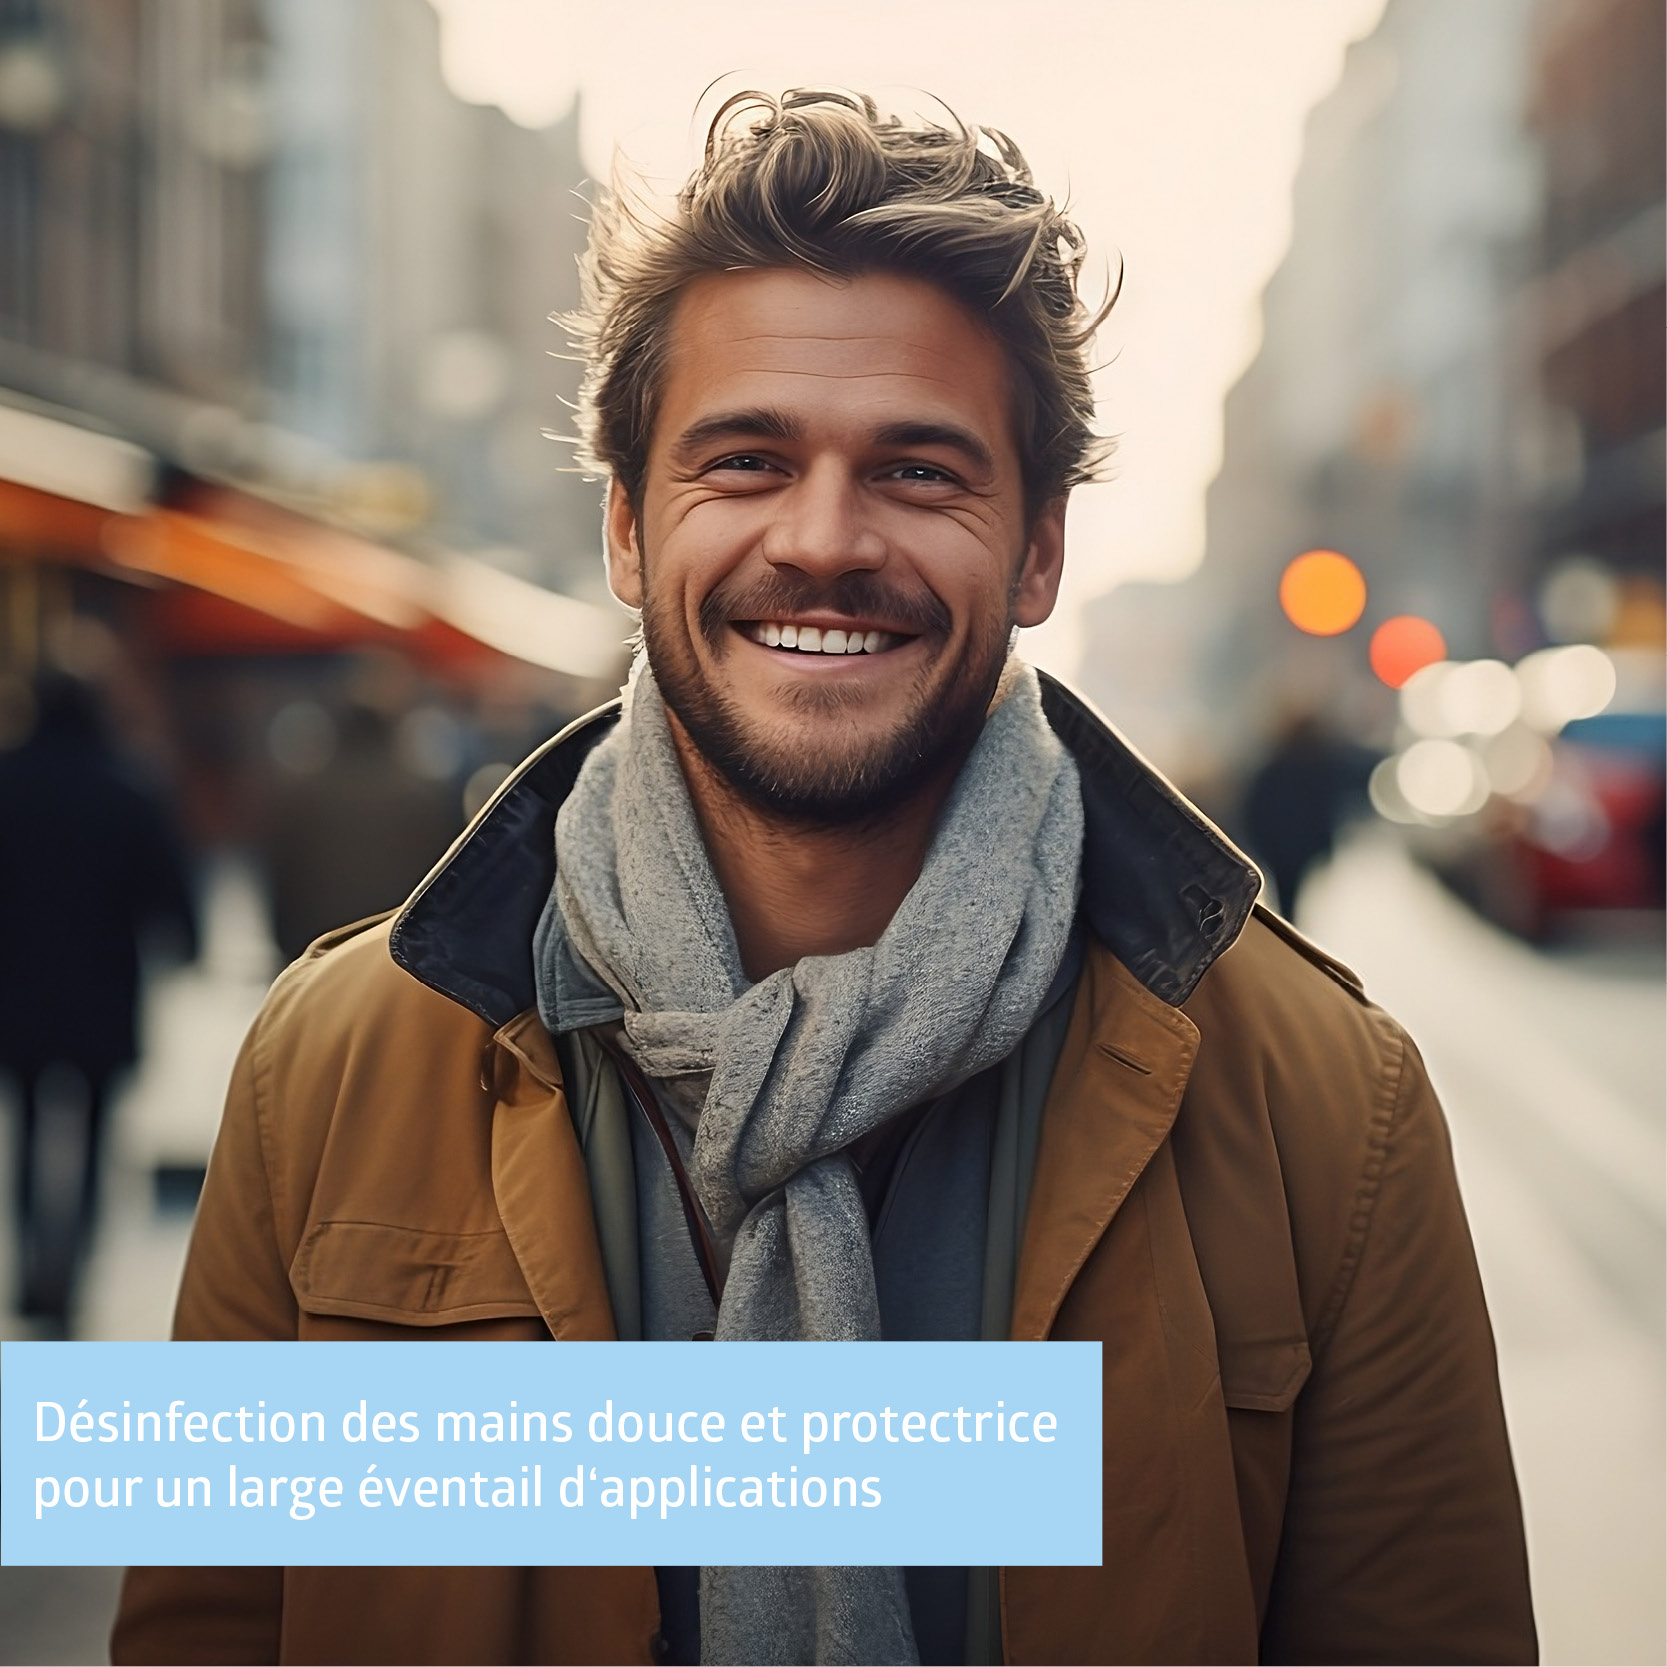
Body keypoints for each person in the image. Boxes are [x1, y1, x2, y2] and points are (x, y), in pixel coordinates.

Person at [114, 90, 1536, 1665]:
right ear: (625, 527)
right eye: (743, 459)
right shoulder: (329, 1068)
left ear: (1041, 546)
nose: (824, 538)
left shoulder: (1325, 1109)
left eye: (918, 471)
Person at [0, 671, 198, 1326]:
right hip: (101, 985)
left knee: (27, 1124)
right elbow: (167, 886)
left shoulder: (10, 785)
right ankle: (73, 1263)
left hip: (19, 986)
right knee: (91, 1129)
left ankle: (33, 1261)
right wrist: (186, 942)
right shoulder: (127, 787)